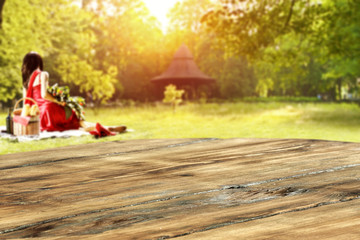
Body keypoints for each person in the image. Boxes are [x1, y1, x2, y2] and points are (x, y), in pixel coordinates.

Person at [21, 52, 126, 135]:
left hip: (40, 116)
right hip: (48, 110)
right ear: (39, 62)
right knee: (72, 111)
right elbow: (44, 95)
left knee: (74, 121)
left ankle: (105, 127)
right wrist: (58, 101)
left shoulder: (26, 83)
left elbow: (26, 104)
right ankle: (99, 127)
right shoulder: (43, 74)